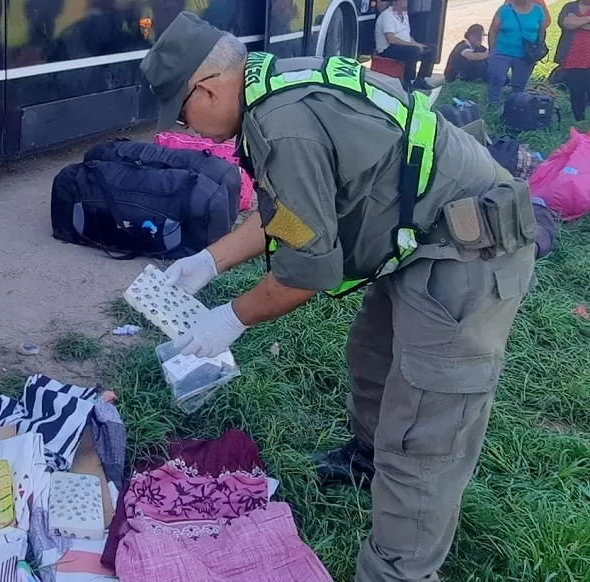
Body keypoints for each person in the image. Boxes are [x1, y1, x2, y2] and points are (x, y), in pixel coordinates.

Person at [140, 12, 536, 582]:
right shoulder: (272, 87)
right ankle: (367, 460)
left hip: (469, 250)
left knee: (423, 431)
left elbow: (306, 272)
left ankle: (398, 570)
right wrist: (210, 260)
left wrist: (230, 317)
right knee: (372, 355)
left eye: (182, 114)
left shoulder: (281, 124)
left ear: (206, 88)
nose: (191, 129)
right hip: (418, 234)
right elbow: (292, 214)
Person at [487, 0, 547, 107]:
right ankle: (493, 105)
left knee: (519, 85)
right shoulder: (504, 9)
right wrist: (492, 51)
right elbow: (493, 31)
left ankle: (514, 107)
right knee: (497, 77)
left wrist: (537, 49)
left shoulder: (538, 10)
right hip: (502, 52)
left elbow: (541, 32)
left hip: (526, 55)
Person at [374, 0, 436, 89]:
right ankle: (407, 82)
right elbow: (391, 39)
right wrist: (413, 45)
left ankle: (421, 79)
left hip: (403, 45)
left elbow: (407, 35)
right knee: (413, 51)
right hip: (387, 48)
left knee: (431, 48)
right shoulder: (386, 16)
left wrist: (416, 44)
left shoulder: (404, 14)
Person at [555, 0, 590, 121]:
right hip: (573, 58)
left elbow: (573, 23)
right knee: (576, 90)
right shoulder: (570, 6)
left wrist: (578, 21)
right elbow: (567, 24)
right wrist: (588, 19)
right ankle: (580, 121)